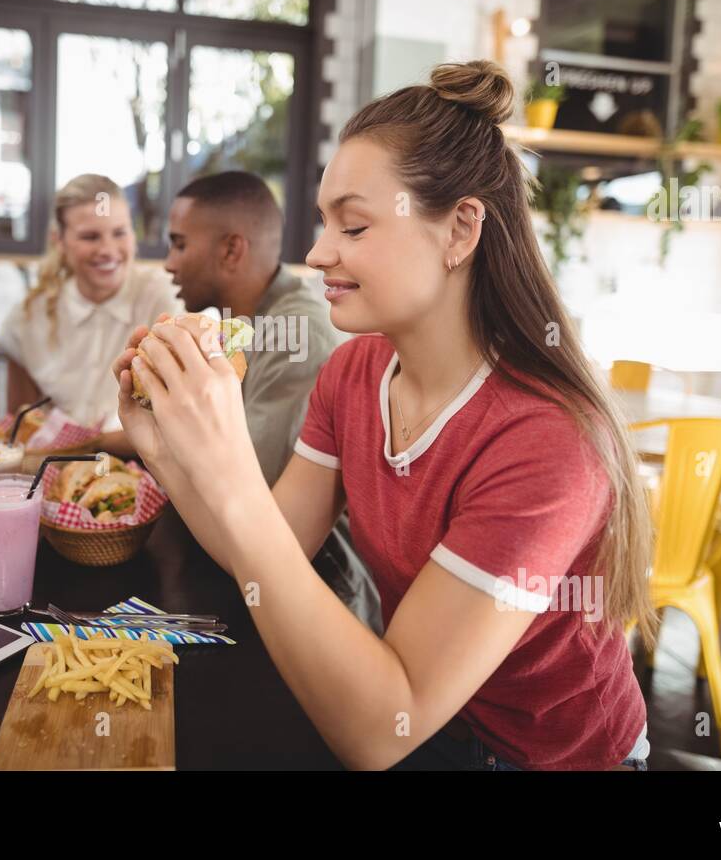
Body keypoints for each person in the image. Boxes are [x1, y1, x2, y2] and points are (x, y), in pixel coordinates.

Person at [110, 61, 655, 771]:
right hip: (432, 720)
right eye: (323, 222)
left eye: (354, 225)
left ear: (460, 230)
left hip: (543, 756)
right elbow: (267, 549)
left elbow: (380, 731)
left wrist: (225, 457)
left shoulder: (547, 442)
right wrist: (167, 447)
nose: (317, 253)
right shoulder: (355, 372)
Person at [163, 171, 380, 627]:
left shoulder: (295, 333)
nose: (168, 263)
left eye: (179, 244)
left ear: (231, 250)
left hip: (322, 597)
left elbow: (250, 499)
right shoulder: (241, 324)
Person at [0, 174, 182, 455]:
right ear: (58, 240)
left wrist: (87, 446)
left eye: (119, 232)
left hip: (146, 466)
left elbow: (174, 420)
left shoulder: (163, 298)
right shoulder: (26, 319)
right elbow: (22, 423)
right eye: (90, 236)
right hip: (54, 473)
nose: (107, 250)